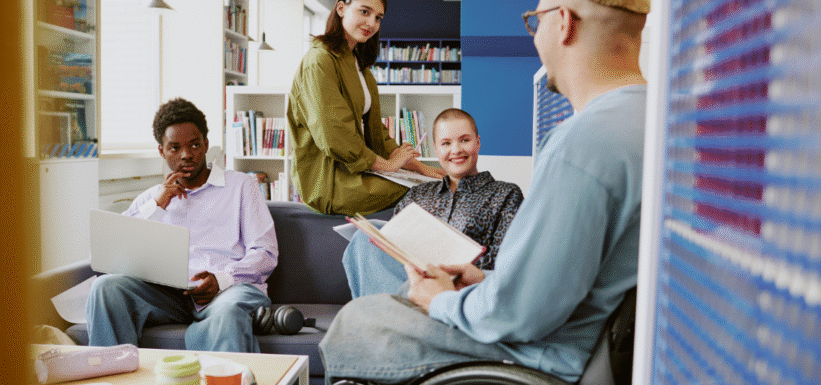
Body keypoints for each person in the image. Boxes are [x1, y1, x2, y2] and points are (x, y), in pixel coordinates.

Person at [319, 0, 649, 383]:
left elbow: (519, 312)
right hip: (568, 334)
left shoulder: (581, 143)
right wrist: (484, 281)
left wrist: (441, 301)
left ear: (563, 23)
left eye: (533, 23)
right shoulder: (657, 123)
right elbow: (563, 280)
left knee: (360, 322)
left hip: (545, 351)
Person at [86, 98, 278, 353]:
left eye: (194, 145)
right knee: (105, 288)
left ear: (206, 145)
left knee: (228, 311)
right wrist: (157, 205)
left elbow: (265, 253)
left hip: (226, 290)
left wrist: (221, 280)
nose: (186, 155)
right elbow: (111, 255)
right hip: (168, 295)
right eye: (174, 148)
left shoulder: (242, 185)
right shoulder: (152, 197)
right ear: (161, 151)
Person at [343, 108, 524, 298]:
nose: (456, 150)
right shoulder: (417, 195)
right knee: (362, 240)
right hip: (409, 284)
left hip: (463, 291)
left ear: (477, 142)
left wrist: (449, 273)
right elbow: (394, 254)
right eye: (446, 143)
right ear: (436, 149)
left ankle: (406, 311)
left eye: (465, 140)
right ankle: (400, 310)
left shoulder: (505, 194)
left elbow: (505, 264)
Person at [287, 0, 445, 216]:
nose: (371, 23)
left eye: (378, 18)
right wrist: (390, 166)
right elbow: (336, 135)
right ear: (341, 8)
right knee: (432, 191)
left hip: (360, 170)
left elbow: (375, 128)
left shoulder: (359, 65)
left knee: (437, 182)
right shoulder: (319, 60)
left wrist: (418, 167)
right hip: (332, 182)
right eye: (364, 11)